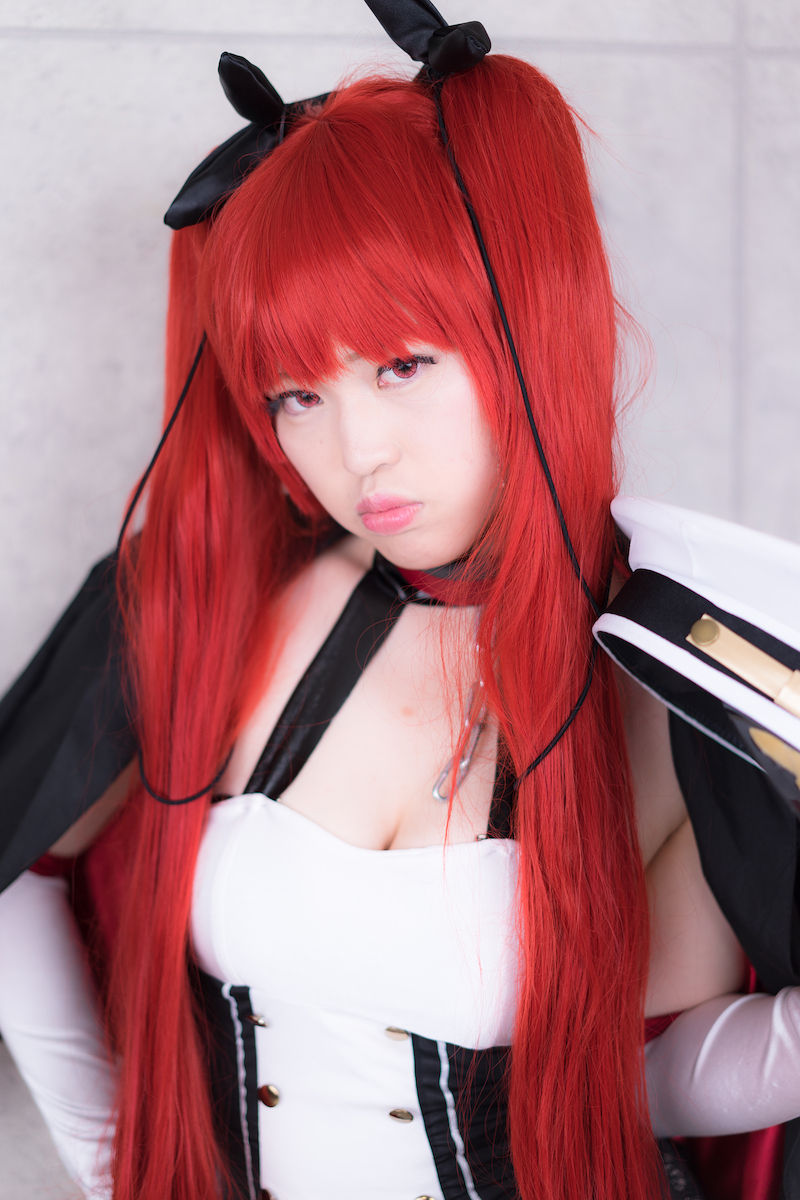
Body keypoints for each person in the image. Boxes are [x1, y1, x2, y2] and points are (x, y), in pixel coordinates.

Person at [0, 4, 798, 1199]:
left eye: (402, 365)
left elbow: (638, 1077)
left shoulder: (663, 672)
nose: (356, 451)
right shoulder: (209, 601)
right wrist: (120, 1161)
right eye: (295, 395)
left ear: (527, 332)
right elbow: (18, 863)